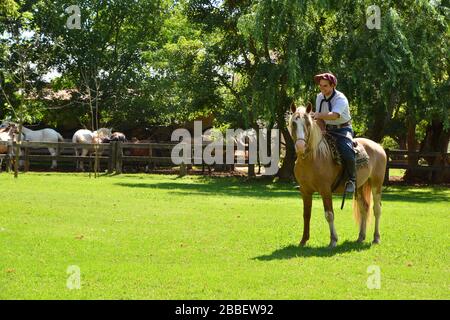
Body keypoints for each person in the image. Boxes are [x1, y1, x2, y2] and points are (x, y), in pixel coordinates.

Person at [312, 72, 356, 193]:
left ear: (333, 86)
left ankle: (352, 180)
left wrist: (316, 115)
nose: (322, 88)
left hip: (343, 129)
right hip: (327, 129)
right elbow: (320, 119)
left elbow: (334, 115)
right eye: (320, 85)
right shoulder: (319, 97)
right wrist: (321, 130)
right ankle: (309, 180)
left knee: (347, 151)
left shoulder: (340, 98)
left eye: (325, 85)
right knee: (312, 149)